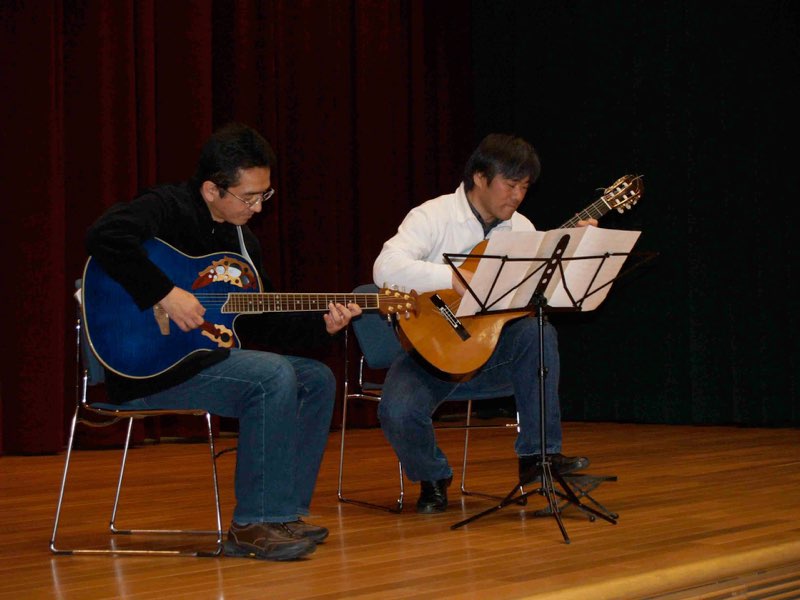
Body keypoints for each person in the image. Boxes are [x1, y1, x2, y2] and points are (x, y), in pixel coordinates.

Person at [85, 122, 362, 559]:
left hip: (205, 360)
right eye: (248, 197)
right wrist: (165, 293)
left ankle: (282, 513)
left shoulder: (243, 242)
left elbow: (261, 321)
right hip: (147, 366)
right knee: (272, 374)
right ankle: (252, 524)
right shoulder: (167, 207)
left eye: (264, 195)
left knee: (317, 379)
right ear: (212, 189)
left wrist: (322, 326)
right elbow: (104, 236)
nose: (258, 206)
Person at [372, 133, 596, 513]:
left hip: (491, 354)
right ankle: (433, 476)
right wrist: (452, 278)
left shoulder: (522, 229)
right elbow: (385, 267)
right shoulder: (433, 216)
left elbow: (535, 299)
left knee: (537, 331)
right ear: (480, 177)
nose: (517, 196)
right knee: (396, 412)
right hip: (432, 353)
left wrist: (571, 252)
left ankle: (538, 457)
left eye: (524, 187)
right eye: (510, 185)